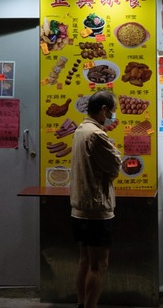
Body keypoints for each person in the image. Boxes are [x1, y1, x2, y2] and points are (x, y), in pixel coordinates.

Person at [69, 89, 123, 308]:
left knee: (84, 261)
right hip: (97, 209)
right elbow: (114, 166)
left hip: (79, 208)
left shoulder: (80, 130)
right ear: (103, 109)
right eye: (113, 111)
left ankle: (82, 304)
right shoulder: (97, 135)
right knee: (99, 265)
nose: (113, 115)